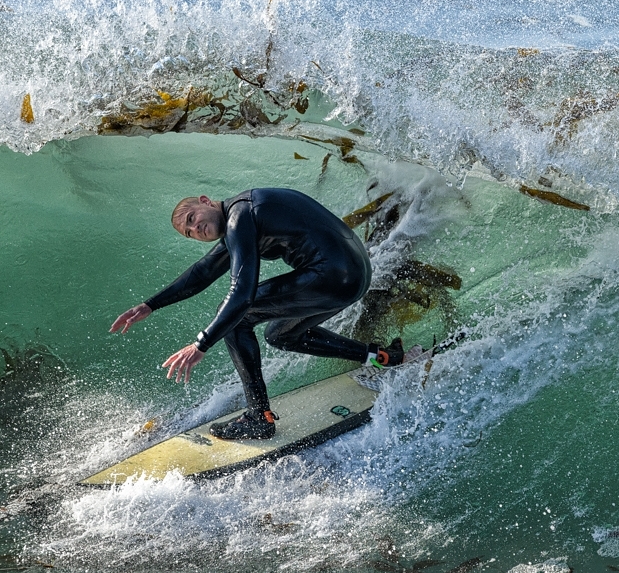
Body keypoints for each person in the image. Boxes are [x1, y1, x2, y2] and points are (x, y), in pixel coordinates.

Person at [110, 188, 404, 440]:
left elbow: (242, 292)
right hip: (351, 275)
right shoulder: (240, 220)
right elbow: (203, 272)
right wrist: (150, 305)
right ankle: (381, 357)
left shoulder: (241, 215)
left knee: (236, 319)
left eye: (192, 219)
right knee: (281, 334)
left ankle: (258, 417)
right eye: (189, 233)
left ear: (206, 201)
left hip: (333, 274)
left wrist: (201, 343)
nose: (195, 229)